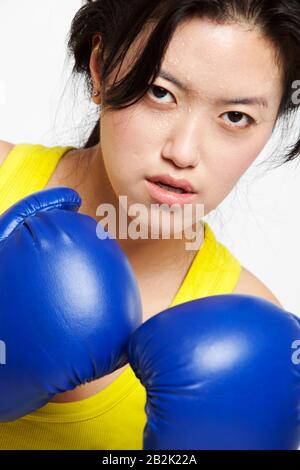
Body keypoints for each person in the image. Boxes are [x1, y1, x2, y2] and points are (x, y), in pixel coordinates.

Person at [0, 0, 299, 450]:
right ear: (101, 67)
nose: (183, 151)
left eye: (236, 117)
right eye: (161, 91)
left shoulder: (255, 337)